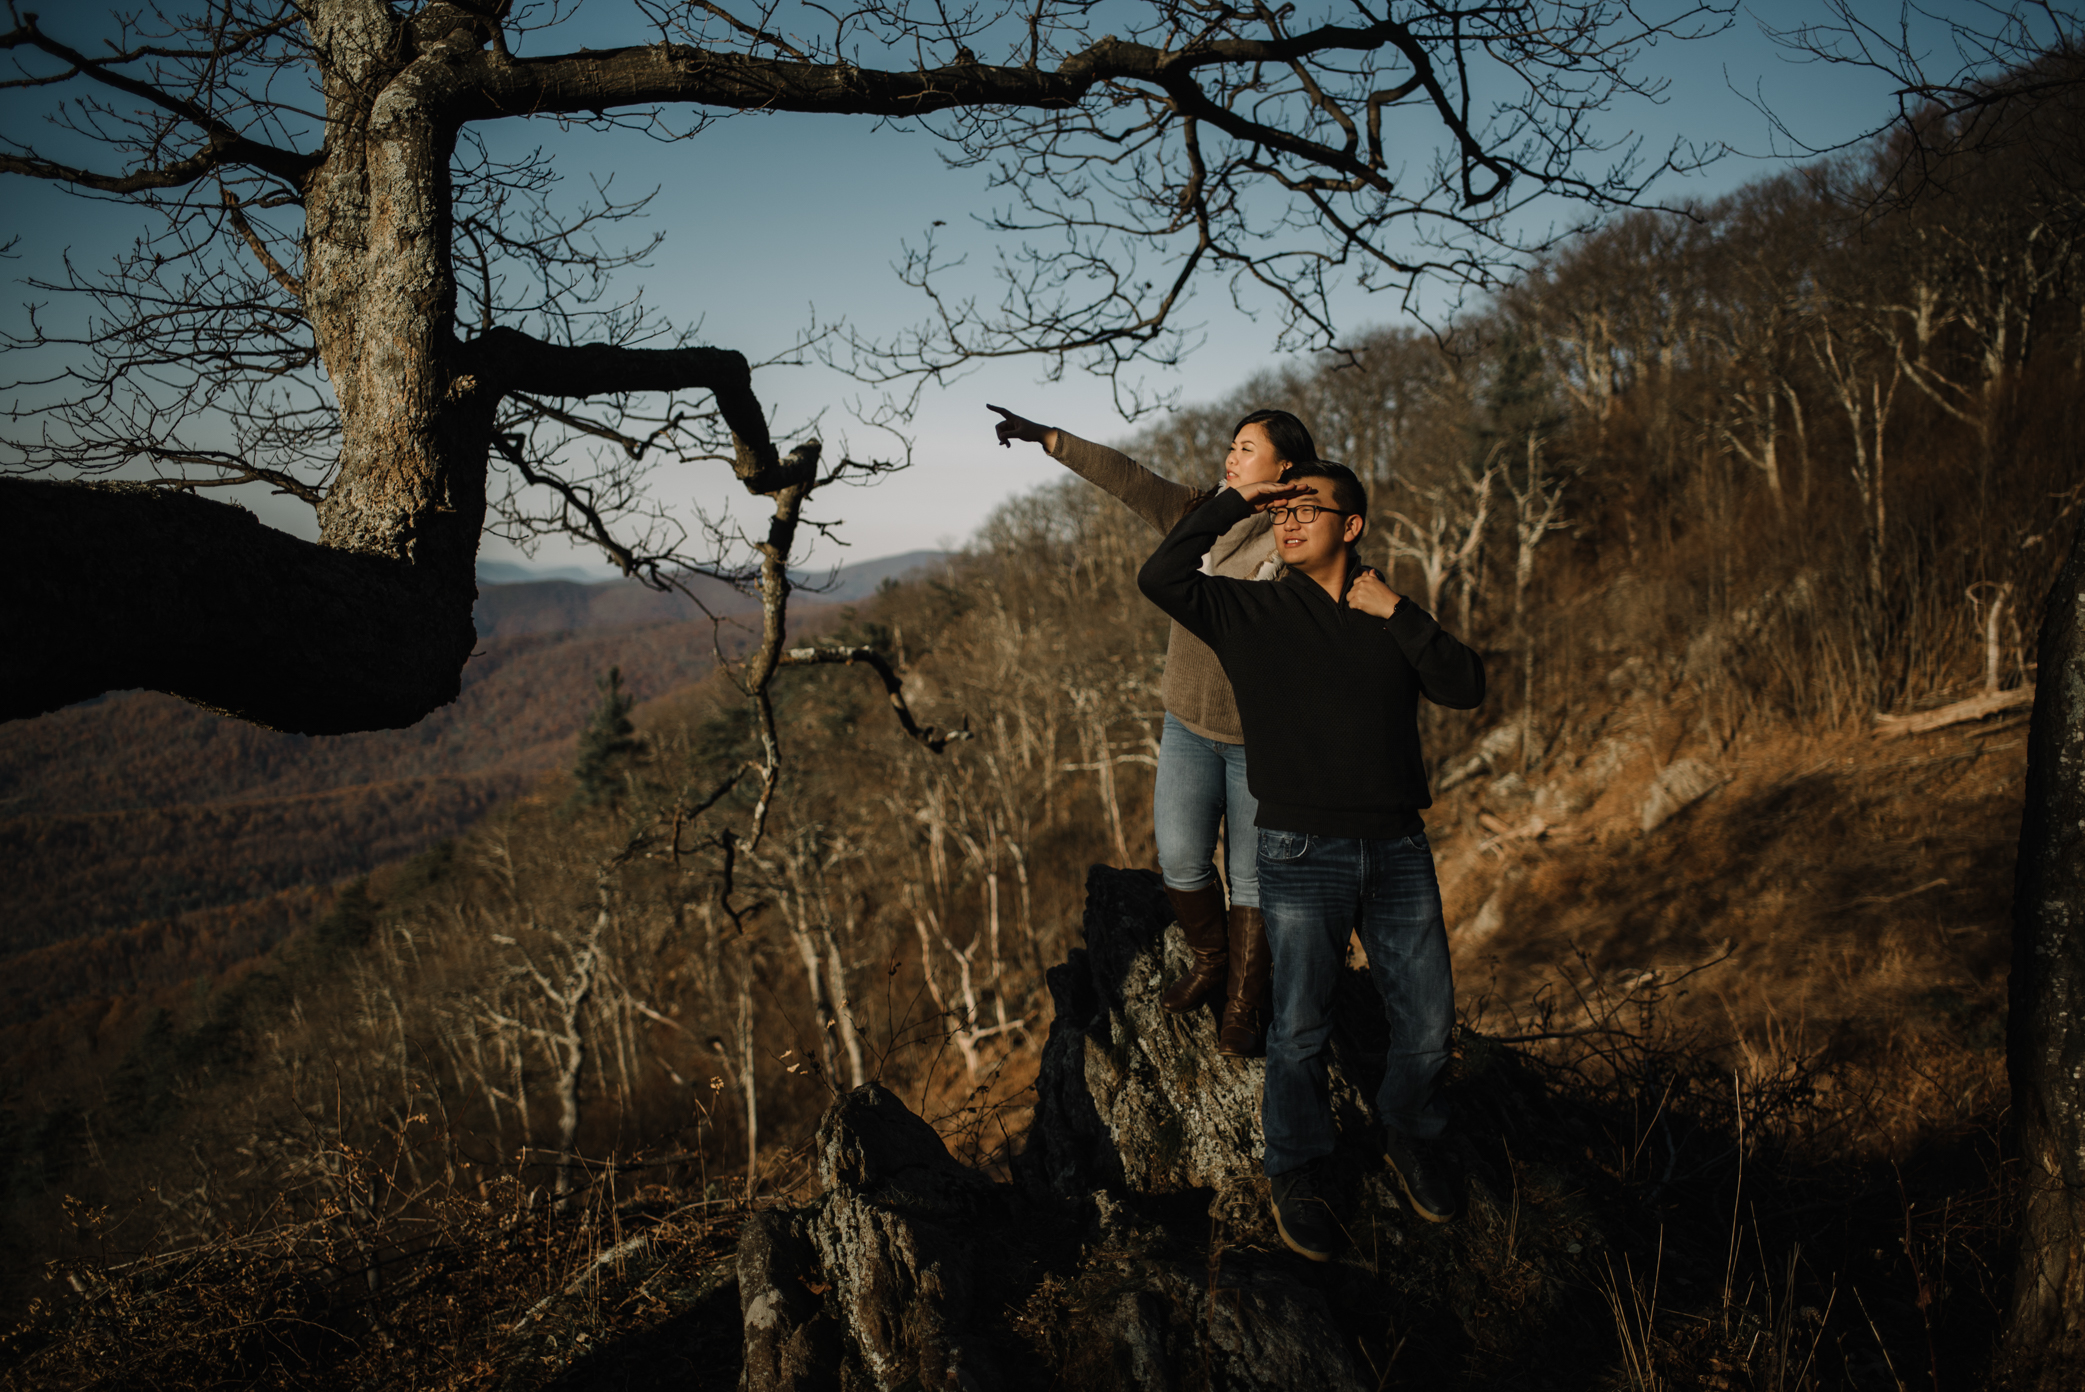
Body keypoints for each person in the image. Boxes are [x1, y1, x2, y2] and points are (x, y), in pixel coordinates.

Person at [1136, 458, 1487, 1261]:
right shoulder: (1249, 610)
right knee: (1298, 1026)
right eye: (1281, 511)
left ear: (1351, 525)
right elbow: (1160, 575)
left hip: (1397, 845)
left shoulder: (1385, 612)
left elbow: (1465, 685)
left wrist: (1398, 610)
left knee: (1428, 1024)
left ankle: (1409, 1136)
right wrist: (1234, 500)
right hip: (1298, 848)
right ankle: (1296, 1166)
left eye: (1307, 509)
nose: (1287, 521)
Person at [989, 403, 1312, 1056]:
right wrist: (1046, 435)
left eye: (1247, 448)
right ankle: (1211, 963)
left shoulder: (1299, 538)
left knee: (1251, 880)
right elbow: (1126, 476)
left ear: (1284, 467)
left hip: (1262, 741)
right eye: (1232, 444)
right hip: (1187, 725)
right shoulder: (1198, 515)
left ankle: (1243, 1007)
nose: (1231, 455)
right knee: (1181, 860)